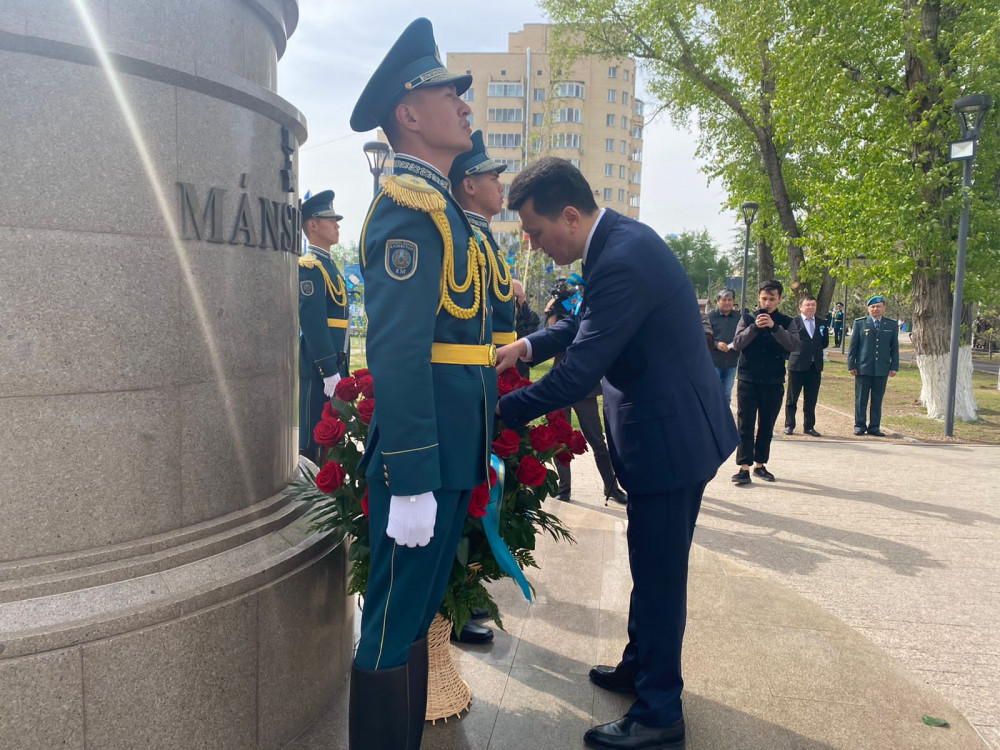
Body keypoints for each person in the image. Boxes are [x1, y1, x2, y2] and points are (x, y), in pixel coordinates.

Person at [494, 157, 738, 750]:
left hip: (670, 440)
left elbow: (581, 368)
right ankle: (641, 665)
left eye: (534, 230)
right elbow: (580, 328)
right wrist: (525, 345)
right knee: (649, 562)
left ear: (570, 216)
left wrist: (499, 413)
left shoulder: (622, 258)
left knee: (659, 574)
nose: (532, 243)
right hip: (665, 433)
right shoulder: (616, 246)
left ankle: (659, 714)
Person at [348, 18, 495, 750]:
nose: (465, 107)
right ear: (408, 113)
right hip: (422, 458)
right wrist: (408, 475)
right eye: (449, 94)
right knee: (390, 624)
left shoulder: (447, 215)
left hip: (447, 450)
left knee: (413, 614)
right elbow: (400, 353)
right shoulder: (410, 212)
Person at [446, 128, 513, 646]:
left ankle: (464, 594)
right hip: (467, 383)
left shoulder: (484, 240)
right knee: (463, 497)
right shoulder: (466, 240)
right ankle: (452, 600)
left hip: (487, 379)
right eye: (492, 176)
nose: (499, 183)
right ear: (468, 184)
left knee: (477, 494)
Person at [542, 297, 628, 506]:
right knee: (560, 441)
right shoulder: (560, 322)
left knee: (597, 441)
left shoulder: (590, 321)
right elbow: (548, 338)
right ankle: (564, 489)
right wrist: (551, 313)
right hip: (560, 387)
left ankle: (611, 488)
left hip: (585, 389)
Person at [730, 279, 801, 485]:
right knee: (745, 424)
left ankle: (760, 465)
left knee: (766, 424)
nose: (767, 303)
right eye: (764, 299)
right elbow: (737, 343)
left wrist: (775, 328)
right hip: (748, 379)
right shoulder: (747, 318)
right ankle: (744, 467)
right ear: (758, 299)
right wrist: (754, 328)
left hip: (773, 381)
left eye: (772, 299)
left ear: (779, 299)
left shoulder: (787, 322)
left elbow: (795, 345)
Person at [298, 190, 349, 464]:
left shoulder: (328, 266)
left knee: (332, 439)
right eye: (330, 219)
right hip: (320, 368)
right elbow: (313, 322)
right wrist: (329, 370)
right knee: (313, 440)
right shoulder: (310, 267)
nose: (336, 224)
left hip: (334, 365)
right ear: (313, 224)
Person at [848, 295, 899, 436]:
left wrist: (894, 366)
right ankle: (859, 425)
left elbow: (894, 347)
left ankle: (874, 427)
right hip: (863, 368)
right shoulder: (860, 323)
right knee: (861, 399)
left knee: (877, 399)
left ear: (884, 308)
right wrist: (851, 364)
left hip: (882, 368)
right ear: (868, 309)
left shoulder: (891, 325)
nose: (875, 309)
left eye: (879, 306)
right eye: (873, 307)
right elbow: (853, 346)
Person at [784, 294, 829, 436]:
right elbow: (786, 342)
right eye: (807, 305)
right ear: (800, 307)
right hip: (797, 365)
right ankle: (789, 425)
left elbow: (824, 342)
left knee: (811, 399)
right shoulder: (793, 322)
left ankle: (809, 426)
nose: (810, 308)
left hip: (814, 366)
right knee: (792, 398)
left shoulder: (822, 323)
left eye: (813, 305)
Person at [706, 288, 740, 403]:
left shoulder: (739, 317)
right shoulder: (710, 317)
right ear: (718, 301)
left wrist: (737, 344)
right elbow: (702, 337)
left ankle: (724, 420)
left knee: (726, 394)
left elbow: (743, 335)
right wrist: (716, 344)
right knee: (713, 393)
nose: (727, 303)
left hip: (731, 362)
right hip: (713, 362)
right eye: (724, 300)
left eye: (730, 300)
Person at [512, 278, 540, 378]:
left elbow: (528, 343)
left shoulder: (531, 316)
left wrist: (516, 316)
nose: (513, 300)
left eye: (516, 297)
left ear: (524, 297)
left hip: (521, 369)